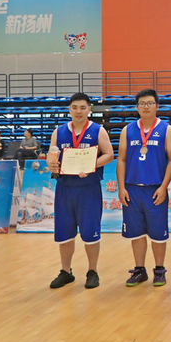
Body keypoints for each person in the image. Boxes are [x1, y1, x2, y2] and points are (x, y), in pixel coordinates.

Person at [47, 93, 115, 290]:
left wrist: (91, 165)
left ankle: (92, 271)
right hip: (65, 188)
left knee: (90, 232)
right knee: (64, 233)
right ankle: (65, 271)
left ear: (89, 109)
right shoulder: (59, 131)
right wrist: (51, 163)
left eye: (82, 107)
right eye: (75, 107)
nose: (78, 111)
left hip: (88, 189)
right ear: (70, 109)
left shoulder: (98, 130)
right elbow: (51, 155)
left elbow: (109, 154)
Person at [117, 89, 171, 288]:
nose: (146, 106)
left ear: (157, 106)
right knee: (136, 233)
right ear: (137, 107)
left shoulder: (167, 130)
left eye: (150, 103)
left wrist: (164, 187)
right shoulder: (127, 130)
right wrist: (121, 187)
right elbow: (121, 160)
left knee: (158, 233)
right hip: (132, 189)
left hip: (155, 189)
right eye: (142, 103)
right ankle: (139, 269)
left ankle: (159, 270)